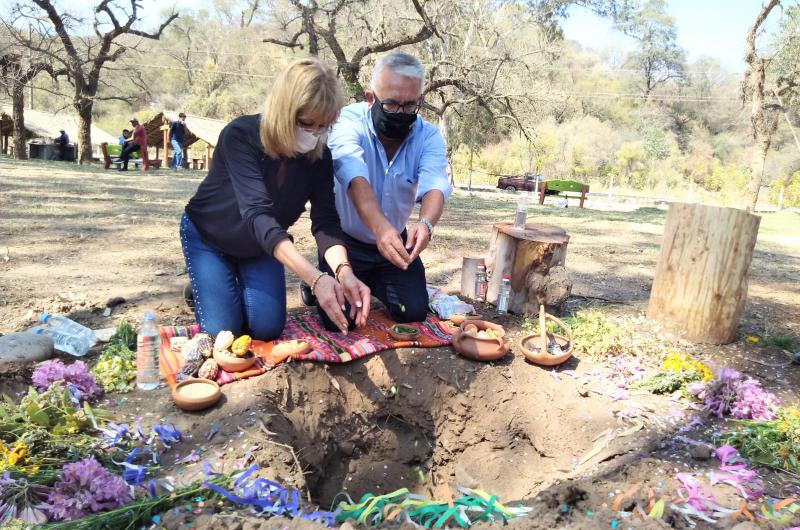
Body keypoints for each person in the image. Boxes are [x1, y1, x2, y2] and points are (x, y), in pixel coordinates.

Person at [180, 57, 371, 341]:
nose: (315, 134)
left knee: (266, 328)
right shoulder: (240, 136)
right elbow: (258, 214)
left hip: (261, 246)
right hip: (210, 237)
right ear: (285, 111)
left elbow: (325, 222)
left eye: (324, 126)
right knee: (224, 331)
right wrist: (315, 278)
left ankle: (226, 286)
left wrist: (344, 271)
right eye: (308, 124)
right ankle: (204, 285)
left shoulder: (319, 157)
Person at [306, 51, 450, 330]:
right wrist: (381, 228)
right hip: (347, 242)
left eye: (410, 106)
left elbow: (435, 183)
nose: (401, 113)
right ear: (370, 97)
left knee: (413, 311)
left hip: (396, 242)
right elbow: (353, 176)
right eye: (392, 104)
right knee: (341, 321)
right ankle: (319, 277)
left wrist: (426, 223)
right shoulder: (346, 122)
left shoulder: (428, 136)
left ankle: (375, 283)